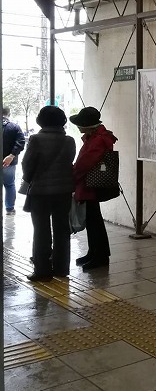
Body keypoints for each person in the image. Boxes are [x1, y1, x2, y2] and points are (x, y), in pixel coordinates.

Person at [21, 106, 76, 281]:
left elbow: (27, 164)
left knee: (41, 230)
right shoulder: (70, 140)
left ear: (41, 121)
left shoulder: (36, 139)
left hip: (41, 192)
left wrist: (29, 178)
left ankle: (42, 270)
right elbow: (69, 163)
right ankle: (61, 268)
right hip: (64, 191)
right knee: (62, 229)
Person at [70, 106, 117, 272]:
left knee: (94, 221)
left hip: (91, 185)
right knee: (93, 220)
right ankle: (95, 253)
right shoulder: (96, 136)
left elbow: (86, 163)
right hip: (90, 184)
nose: (78, 127)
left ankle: (100, 256)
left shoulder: (97, 140)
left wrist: (73, 174)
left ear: (86, 125)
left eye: (79, 124)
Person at [2, 107, 26, 215]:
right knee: (9, 184)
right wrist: (11, 155)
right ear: (9, 114)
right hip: (9, 162)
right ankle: (9, 209)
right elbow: (21, 142)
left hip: (9, 161)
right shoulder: (14, 127)